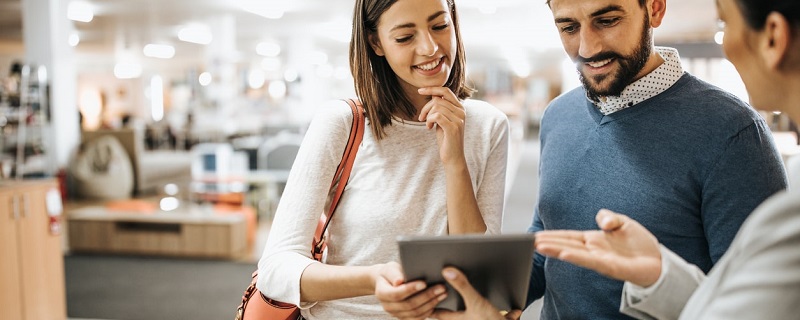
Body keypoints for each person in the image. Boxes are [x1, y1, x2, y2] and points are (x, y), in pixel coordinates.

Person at [438, 0, 800, 319]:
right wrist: (485, 300)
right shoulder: (557, 116)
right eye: (568, 27)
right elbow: (546, 243)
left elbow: (754, 303)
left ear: (654, 8)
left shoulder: (732, 133)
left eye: (607, 20)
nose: (587, 47)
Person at [256, 0, 510, 319]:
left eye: (440, 26)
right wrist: (372, 279)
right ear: (376, 43)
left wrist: (455, 161)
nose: (430, 47)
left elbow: (479, 275)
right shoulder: (343, 122)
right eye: (405, 37)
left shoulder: (488, 125)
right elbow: (275, 270)